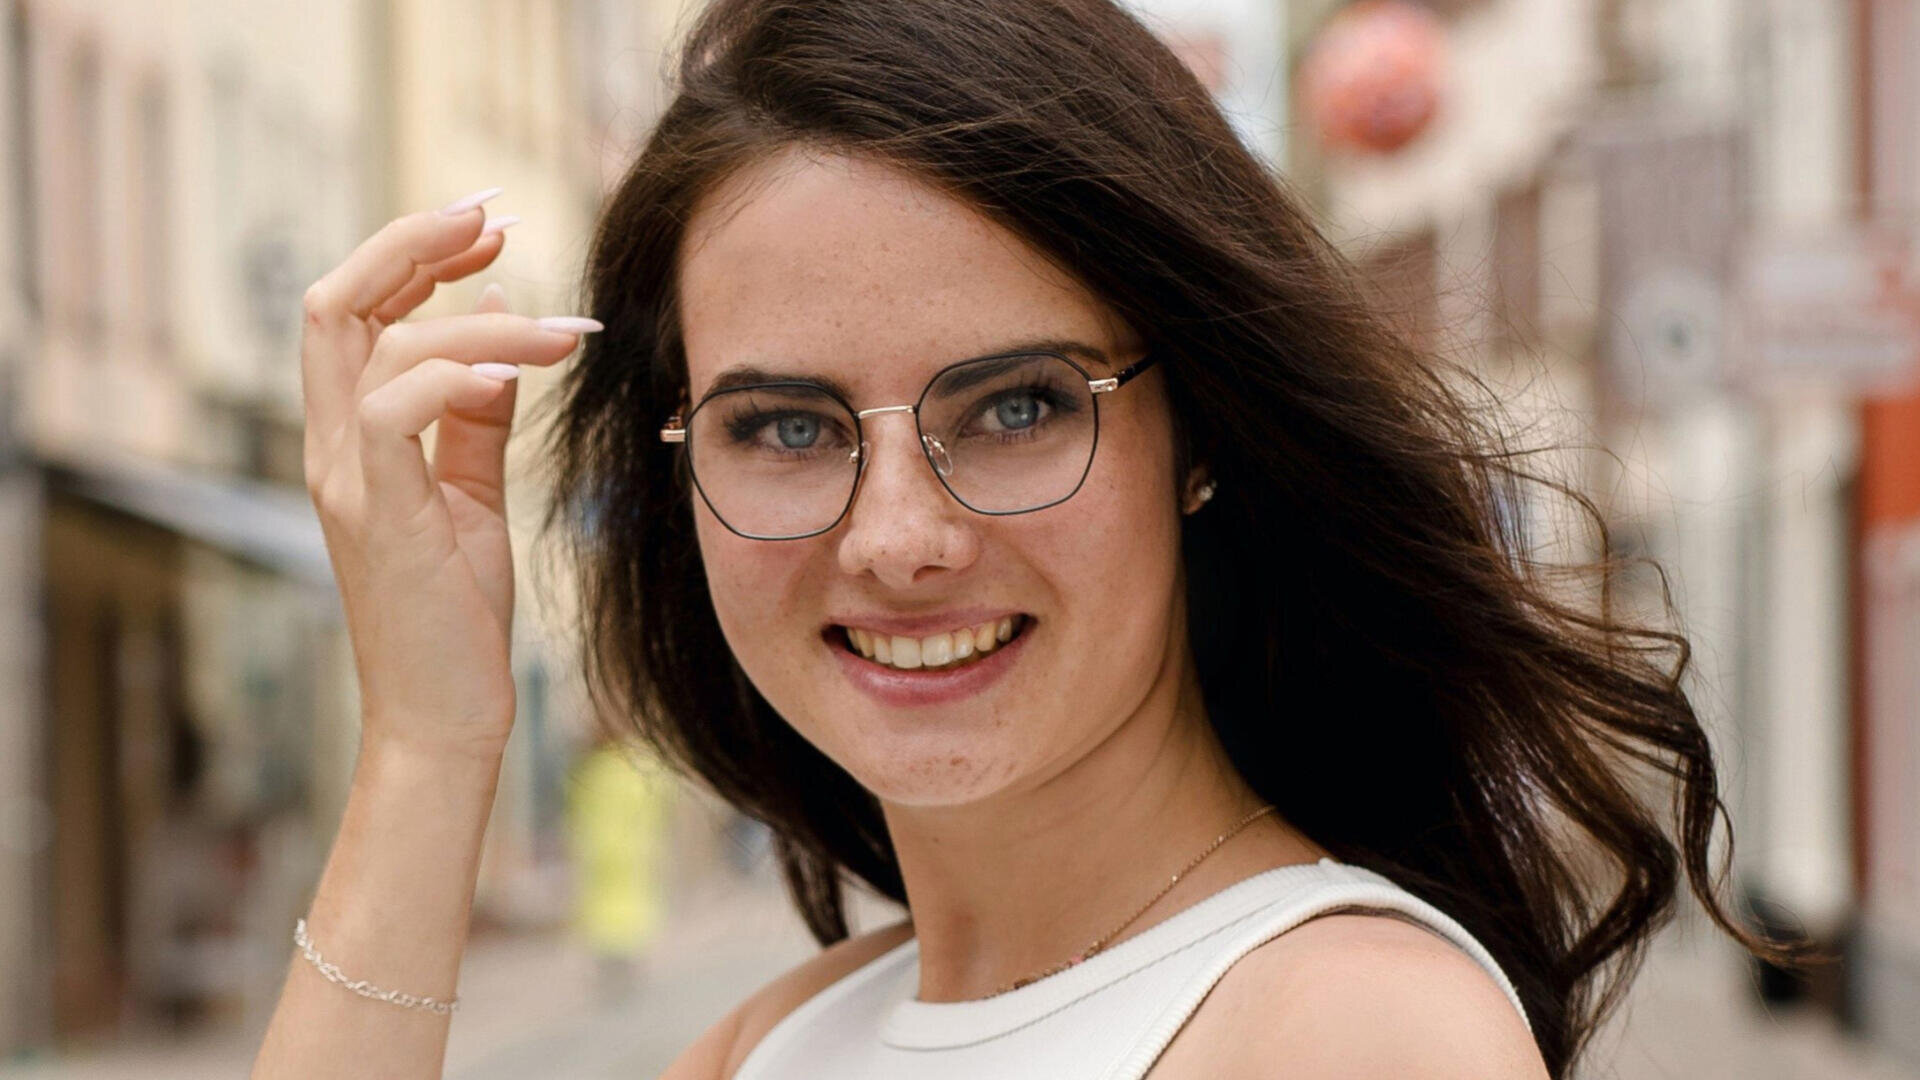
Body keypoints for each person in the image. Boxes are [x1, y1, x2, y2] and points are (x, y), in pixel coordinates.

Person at [252, 1, 1797, 1077]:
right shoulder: (777, 1044)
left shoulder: (1346, 1036)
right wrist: (429, 740)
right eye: (785, 428)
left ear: (1198, 433)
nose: (899, 539)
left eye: (1015, 408)